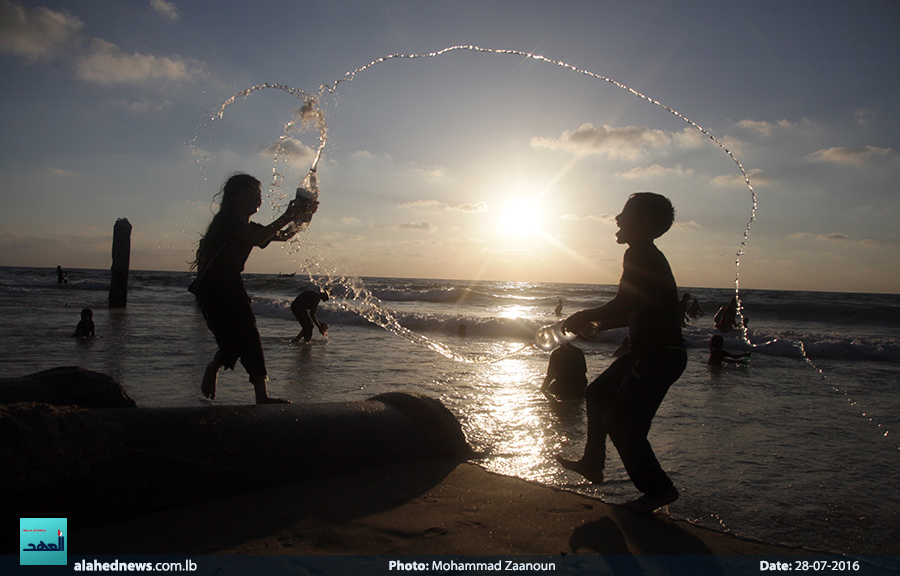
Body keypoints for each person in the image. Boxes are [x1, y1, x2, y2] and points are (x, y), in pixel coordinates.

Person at [556, 192, 686, 514]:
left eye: (624, 213)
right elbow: (637, 307)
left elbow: (626, 302)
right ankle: (592, 463)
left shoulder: (641, 254)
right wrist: (600, 322)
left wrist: (586, 314)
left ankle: (659, 490)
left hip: (660, 356)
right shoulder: (644, 254)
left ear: (641, 222)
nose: (617, 219)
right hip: (649, 353)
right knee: (598, 394)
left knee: (624, 425)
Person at [190, 173, 314, 404]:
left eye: (259, 193)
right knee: (232, 341)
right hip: (212, 289)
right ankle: (213, 367)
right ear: (236, 196)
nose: (258, 197)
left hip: (233, 286)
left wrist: (303, 218)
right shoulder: (226, 221)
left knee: (250, 336)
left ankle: (262, 396)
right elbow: (256, 239)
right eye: (253, 192)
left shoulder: (250, 226)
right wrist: (288, 214)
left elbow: (285, 236)